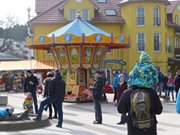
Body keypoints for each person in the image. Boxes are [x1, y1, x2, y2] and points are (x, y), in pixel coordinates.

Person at [117, 52, 163, 135]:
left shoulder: (127, 93)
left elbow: (120, 109)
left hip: (133, 129)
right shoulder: (152, 92)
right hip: (150, 129)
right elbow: (159, 110)